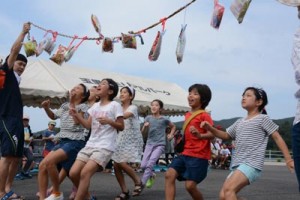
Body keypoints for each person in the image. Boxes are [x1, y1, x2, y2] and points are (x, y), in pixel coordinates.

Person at [201, 87, 294, 200]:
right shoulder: (239, 122)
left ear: (258, 102)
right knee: (223, 196)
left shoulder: (262, 119)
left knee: (229, 191)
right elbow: (225, 135)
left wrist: (288, 159)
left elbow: (277, 137)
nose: (244, 97)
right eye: (243, 95)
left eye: (248, 95)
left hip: (251, 164)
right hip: (238, 165)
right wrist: (210, 128)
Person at [68, 78, 124, 200]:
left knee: (85, 173)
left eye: (103, 84)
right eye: (99, 84)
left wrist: (109, 121)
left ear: (110, 91)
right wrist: (76, 114)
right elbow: (88, 125)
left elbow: (121, 126)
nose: (99, 85)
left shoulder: (115, 105)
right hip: (90, 144)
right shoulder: (94, 107)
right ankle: (88, 197)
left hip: (105, 146)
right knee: (73, 173)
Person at [38, 83, 90, 200]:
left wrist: (72, 103)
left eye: (78, 88)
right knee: (42, 166)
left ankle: (56, 193)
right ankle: (42, 197)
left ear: (83, 95)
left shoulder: (84, 107)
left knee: (51, 162)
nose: (74, 88)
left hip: (75, 142)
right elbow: (53, 116)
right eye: (74, 87)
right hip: (62, 141)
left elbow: (77, 122)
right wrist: (46, 108)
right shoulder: (64, 105)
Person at [165, 83, 214, 200]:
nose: (190, 96)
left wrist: (200, 135)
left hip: (199, 156)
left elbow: (212, 134)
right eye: (190, 93)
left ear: (203, 99)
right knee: (169, 175)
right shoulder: (187, 114)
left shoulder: (204, 115)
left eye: (195, 94)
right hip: (185, 154)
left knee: (190, 186)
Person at [0, 22, 30, 200]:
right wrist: (23, 32)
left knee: (16, 158)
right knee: (7, 156)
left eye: (24, 65)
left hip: (16, 119)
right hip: (7, 118)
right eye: (19, 63)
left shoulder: (15, 80)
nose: (21, 67)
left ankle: (8, 189)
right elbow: (14, 49)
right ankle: (1, 192)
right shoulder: (6, 70)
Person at [112, 86, 144, 200]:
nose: (121, 94)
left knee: (120, 162)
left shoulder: (133, 107)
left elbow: (124, 116)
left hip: (132, 138)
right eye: (121, 92)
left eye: (125, 92)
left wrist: (109, 118)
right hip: (121, 137)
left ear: (131, 96)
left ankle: (138, 181)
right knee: (116, 164)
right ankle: (124, 191)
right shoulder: (118, 107)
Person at [140, 99, 176, 193]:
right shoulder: (148, 118)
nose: (153, 107)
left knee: (150, 163)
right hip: (149, 143)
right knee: (143, 165)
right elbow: (142, 133)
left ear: (160, 108)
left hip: (160, 144)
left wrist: (171, 134)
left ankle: (141, 184)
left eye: (156, 105)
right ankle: (152, 175)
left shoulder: (164, 119)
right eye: (152, 105)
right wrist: (145, 127)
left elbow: (173, 126)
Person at [16, 114, 34, 179]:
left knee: (31, 158)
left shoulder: (28, 127)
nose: (25, 121)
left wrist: (31, 138)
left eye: (27, 120)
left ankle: (24, 172)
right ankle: (17, 174)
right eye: (24, 120)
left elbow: (31, 135)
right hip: (19, 146)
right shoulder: (18, 127)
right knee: (19, 159)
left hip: (26, 146)